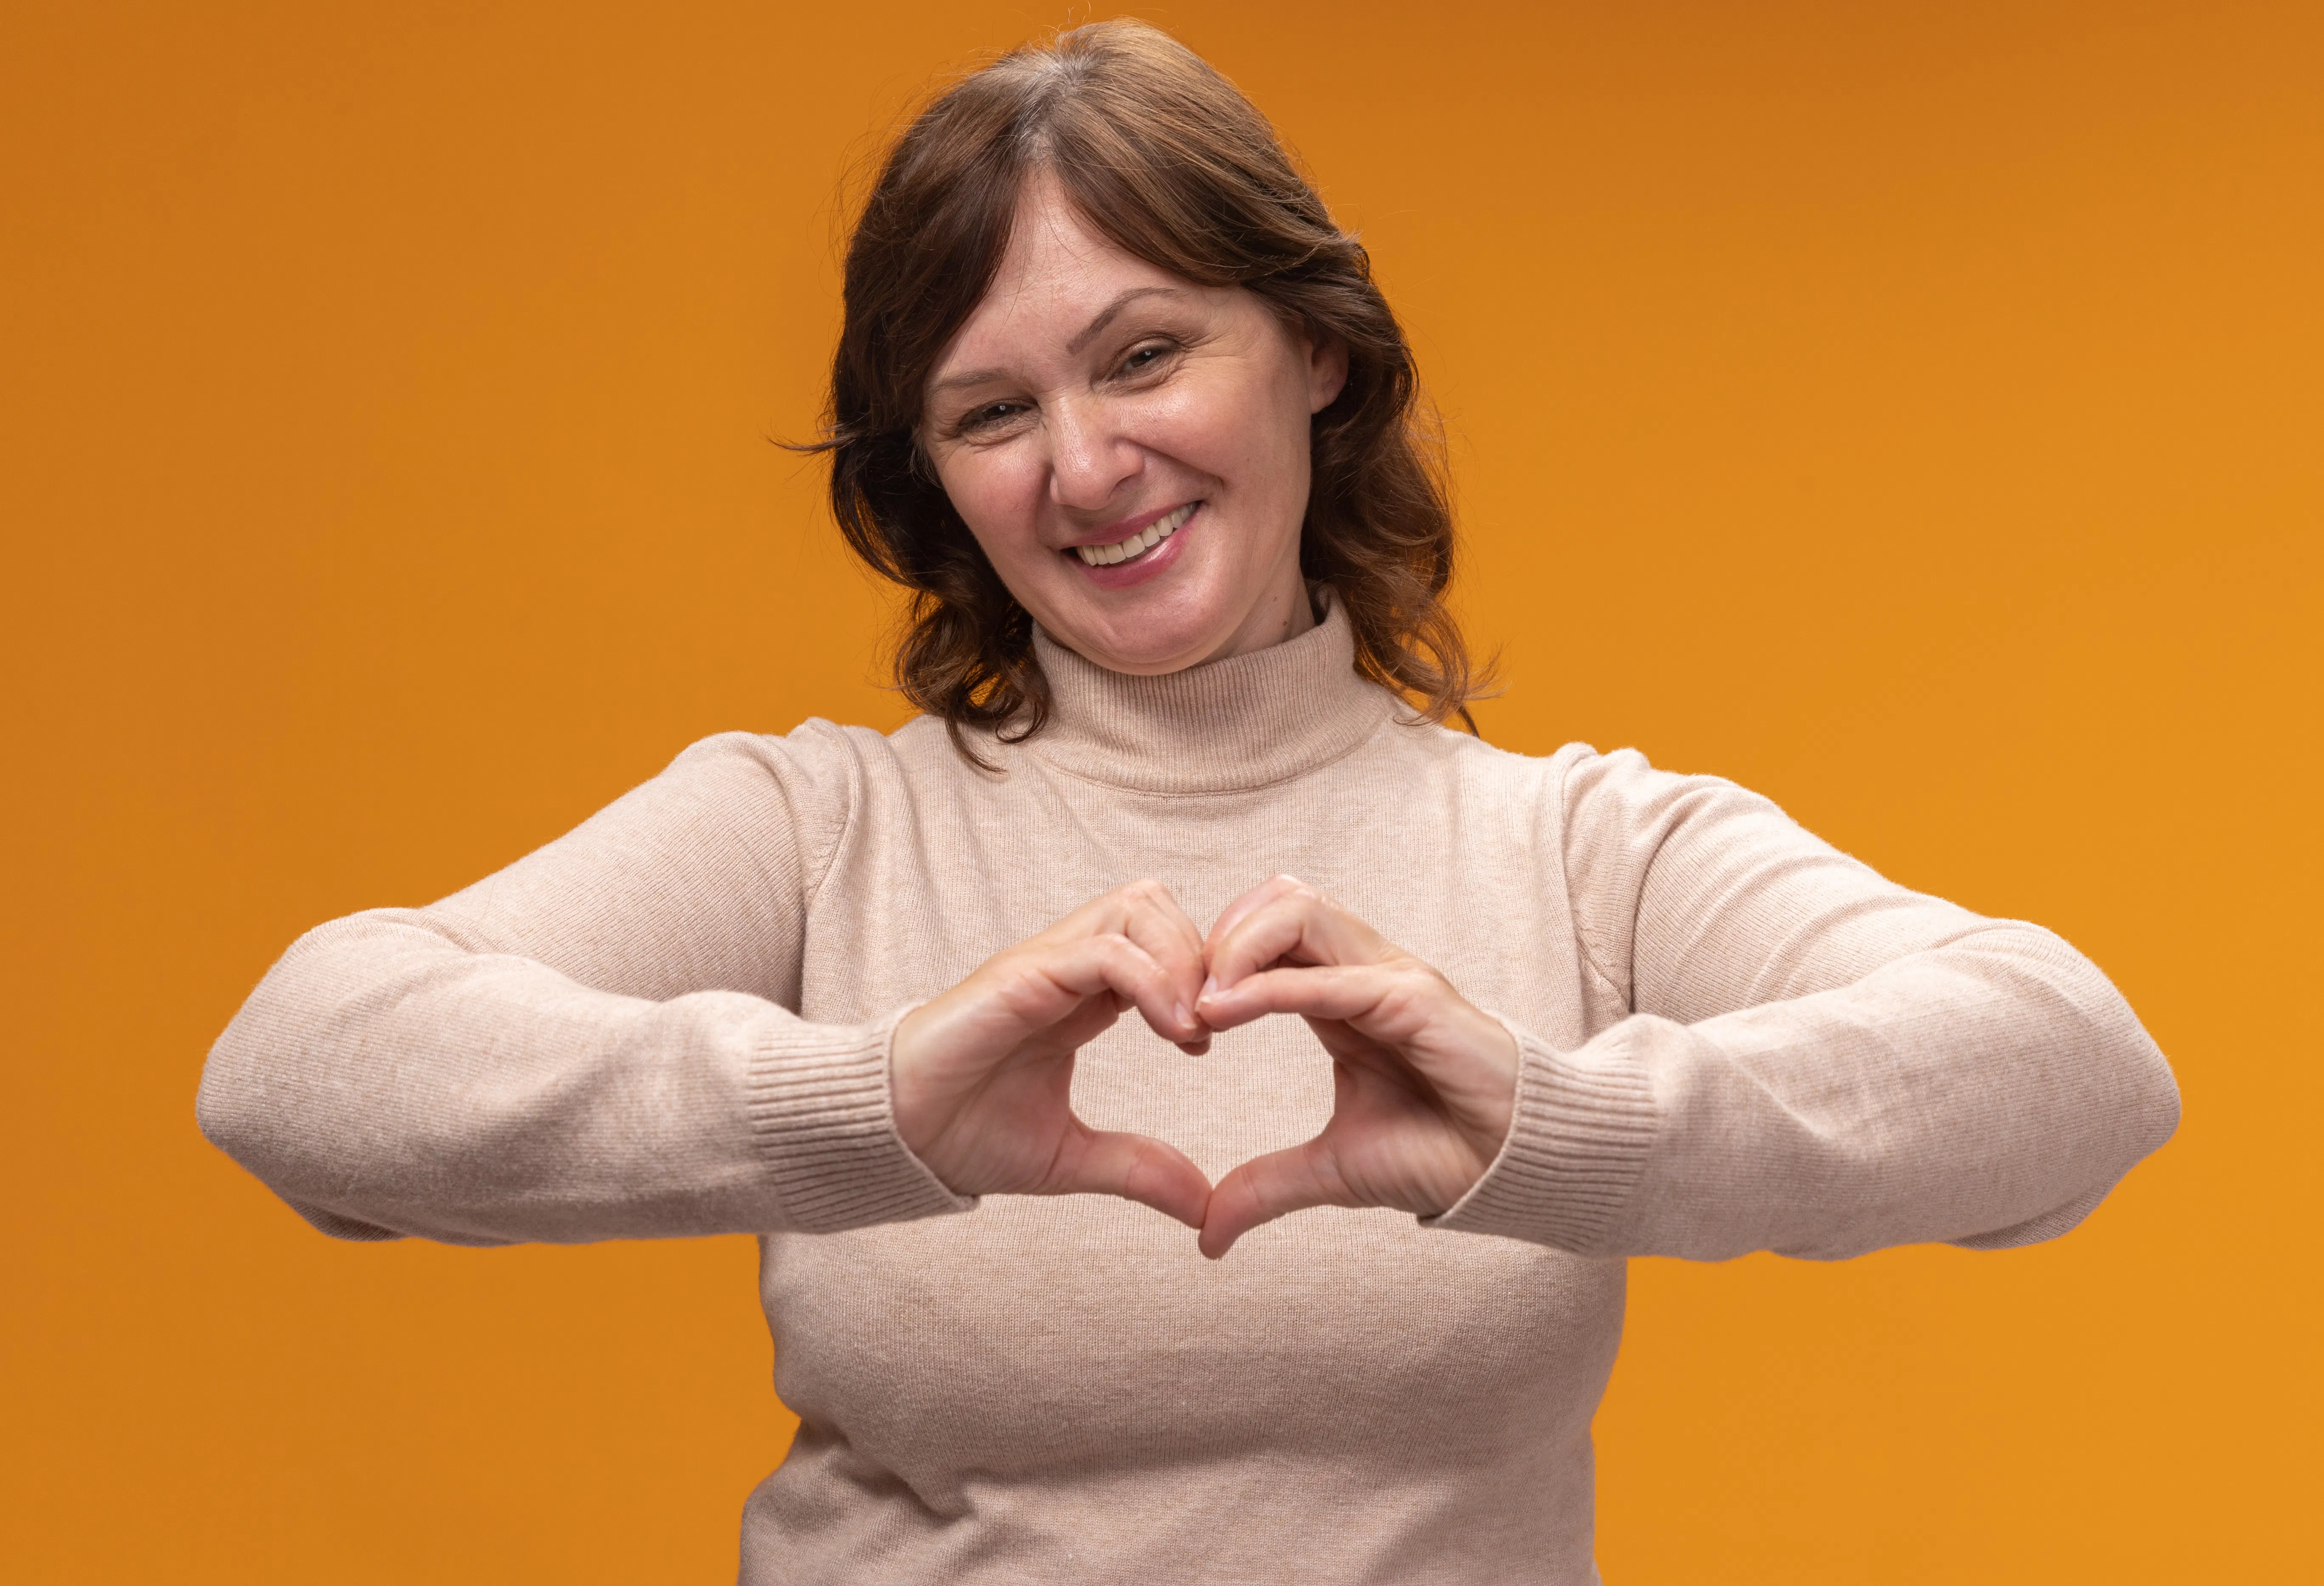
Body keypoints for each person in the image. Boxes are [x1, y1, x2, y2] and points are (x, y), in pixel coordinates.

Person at [197, 20, 2180, 1584]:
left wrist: (1556, 1127)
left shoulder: (1579, 851)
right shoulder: (823, 834)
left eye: (1146, 354)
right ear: (936, 476)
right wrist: (860, 1106)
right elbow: (299, 1067)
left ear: (1313, 346)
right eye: (991, 410)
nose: (1086, 466)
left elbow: (2076, 1073)